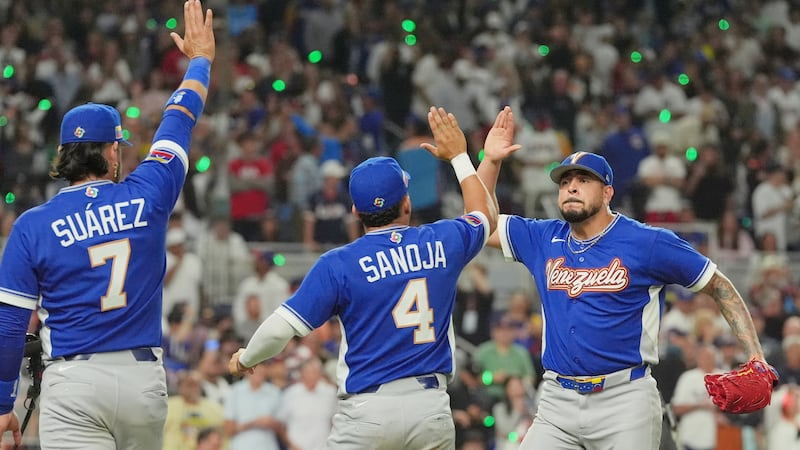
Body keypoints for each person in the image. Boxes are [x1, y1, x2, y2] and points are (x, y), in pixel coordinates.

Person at [228, 106, 521, 448]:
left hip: (368, 411)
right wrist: (461, 157)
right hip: (430, 408)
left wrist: (246, 358)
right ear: (406, 203)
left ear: (355, 211)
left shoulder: (339, 263)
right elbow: (483, 214)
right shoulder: (440, 240)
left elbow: (281, 329)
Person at [0, 1, 215, 448]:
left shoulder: (32, 225)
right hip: (141, 380)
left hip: (74, 381)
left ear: (63, 156)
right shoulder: (148, 192)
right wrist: (200, 61)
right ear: (113, 152)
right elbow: (178, 119)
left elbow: (10, 324)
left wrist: (4, 404)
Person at [475, 149, 771, 450]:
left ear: (607, 192)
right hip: (556, 401)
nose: (571, 187)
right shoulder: (542, 237)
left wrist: (755, 356)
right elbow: (479, 223)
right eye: (564, 182)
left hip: (624, 400)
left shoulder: (647, 242)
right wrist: (492, 161)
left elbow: (719, 285)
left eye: (583, 179)